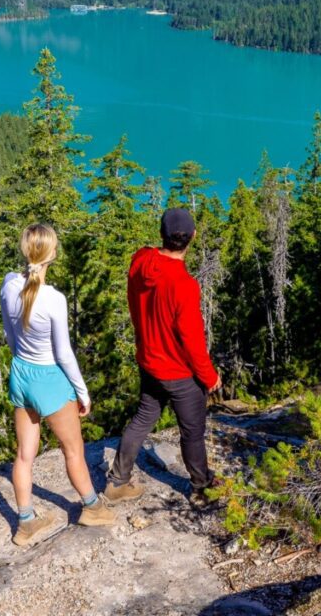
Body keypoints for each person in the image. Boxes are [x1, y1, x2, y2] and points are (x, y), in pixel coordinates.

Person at [0, 222, 115, 545]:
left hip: (20, 373)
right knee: (73, 451)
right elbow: (63, 353)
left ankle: (25, 522)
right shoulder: (53, 299)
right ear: (53, 254)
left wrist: (20, 360)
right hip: (49, 378)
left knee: (24, 454)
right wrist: (82, 391)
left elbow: (10, 334)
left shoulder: (9, 285)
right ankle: (91, 507)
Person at [105, 207, 221, 503]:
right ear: (193, 238)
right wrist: (210, 377)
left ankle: (118, 481)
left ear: (162, 234)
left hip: (149, 363)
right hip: (179, 374)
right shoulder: (184, 286)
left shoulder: (140, 261)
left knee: (143, 419)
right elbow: (192, 341)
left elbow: (145, 260)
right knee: (192, 434)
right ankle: (200, 486)